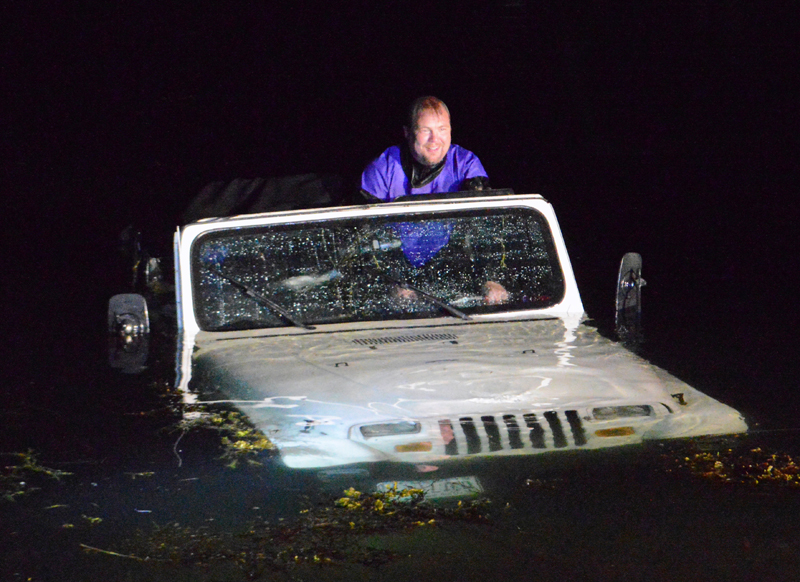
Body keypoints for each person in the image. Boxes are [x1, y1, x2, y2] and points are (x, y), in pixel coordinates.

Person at [360, 96, 489, 202]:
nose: (434, 139)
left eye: (442, 129)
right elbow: (365, 227)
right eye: (425, 130)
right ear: (407, 133)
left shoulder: (466, 164)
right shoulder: (383, 169)